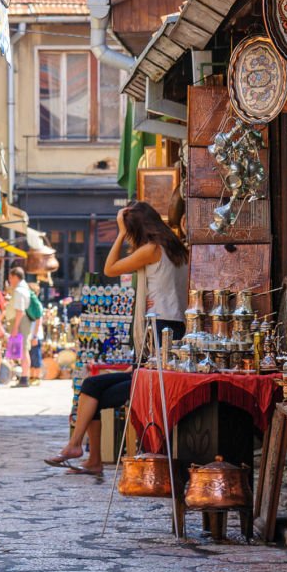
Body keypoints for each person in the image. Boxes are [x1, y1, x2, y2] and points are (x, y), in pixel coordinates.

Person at [45, 200, 188, 476]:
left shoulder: (152, 250)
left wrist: (120, 233)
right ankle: (87, 455)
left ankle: (79, 448)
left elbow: (110, 269)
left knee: (97, 391)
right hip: (172, 329)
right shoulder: (176, 249)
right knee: (92, 386)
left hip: (159, 332)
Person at [8, 266, 32, 387]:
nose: (9, 280)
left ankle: (24, 377)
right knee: (24, 349)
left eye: (10, 277)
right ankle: (24, 376)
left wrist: (15, 328)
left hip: (21, 321)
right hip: (23, 321)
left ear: (15, 277)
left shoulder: (19, 290)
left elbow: (20, 311)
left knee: (23, 350)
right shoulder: (24, 288)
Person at [28, 283, 44, 386]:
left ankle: (37, 377)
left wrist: (34, 336)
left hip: (35, 335)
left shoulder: (37, 304)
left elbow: (38, 321)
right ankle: (31, 376)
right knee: (31, 356)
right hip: (30, 335)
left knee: (36, 357)